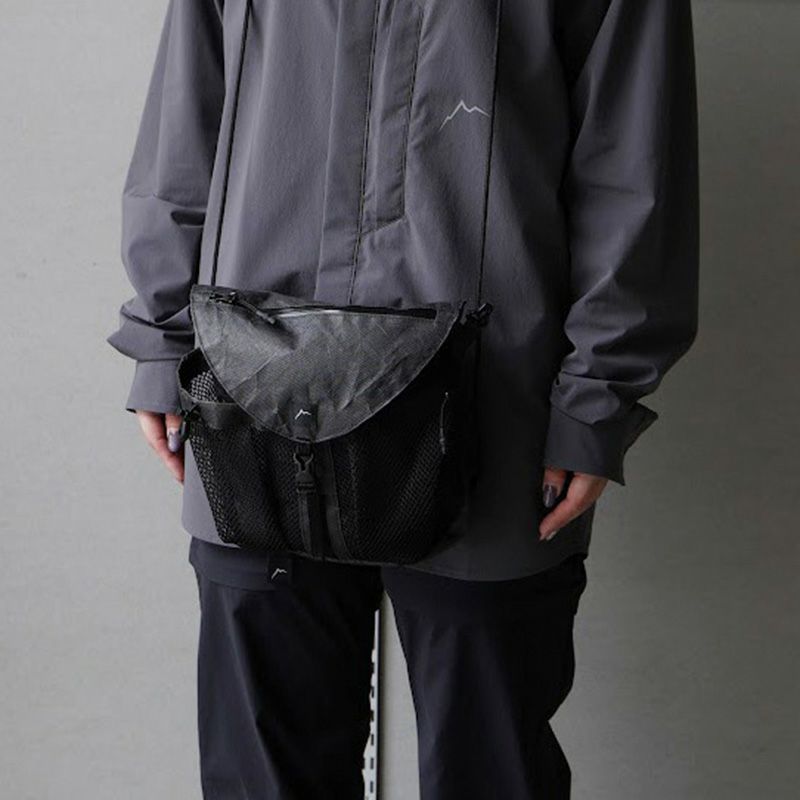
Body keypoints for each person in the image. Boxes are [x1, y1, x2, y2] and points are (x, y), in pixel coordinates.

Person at [107, 0, 699, 796]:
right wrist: (161, 342)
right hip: (251, 391)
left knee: (490, 771)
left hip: (496, 409)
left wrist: (597, 397)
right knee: (265, 775)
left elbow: (634, 172)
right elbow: (182, 132)